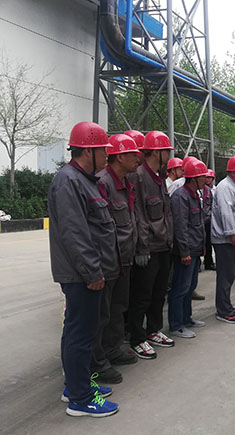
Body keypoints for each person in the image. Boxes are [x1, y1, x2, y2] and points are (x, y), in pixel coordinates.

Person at [48, 121, 119, 417]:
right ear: (88, 151)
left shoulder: (85, 179)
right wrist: (92, 273)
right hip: (81, 275)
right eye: (104, 150)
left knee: (79, 331)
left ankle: (75, 385)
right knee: (80, 334)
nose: (107, 155)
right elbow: (75, 234)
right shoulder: (69, 182)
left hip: (86, 272)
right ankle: (80, 398)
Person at [91, 134, 141, 385]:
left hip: (124, 257)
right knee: (102, 313)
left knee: (118, 307)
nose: (137, 159)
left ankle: (112, 350)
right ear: (119, 157)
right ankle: (97, 362)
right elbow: (100, 228)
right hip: (107, 260)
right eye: (133, 154)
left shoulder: (126, 182)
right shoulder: (103, 182)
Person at [129, 131, 175, 358]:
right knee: (142, 295)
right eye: (167, 151)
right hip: (149, 248)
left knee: (159, 293)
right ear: (157, 152)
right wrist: (141, 247)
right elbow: (138, 214)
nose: (169, 155)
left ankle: (153, 330)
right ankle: (137, 338)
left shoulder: (159, 177)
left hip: (163, 245)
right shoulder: (138, 177)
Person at [168, 159, 209, 338]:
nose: (205, 180)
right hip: (186, 252)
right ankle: (176, 325)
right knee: (180, 288)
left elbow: (198, 225)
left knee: (190, 286)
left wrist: (202, 247)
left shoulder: (194, 195)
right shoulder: (180, 197)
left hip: (195, 249)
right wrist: (184, 252)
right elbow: (180, 227)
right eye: (202, 177)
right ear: (194, 178)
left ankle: (186, 318)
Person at [211, 156, 235, 324]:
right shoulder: (225, 187)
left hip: (232, 239)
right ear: (234, 173)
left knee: (230, 273)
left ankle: (225, 304)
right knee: (225, 275)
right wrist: (232, 233)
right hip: (225, 240)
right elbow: (226, 212)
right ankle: (223, 310)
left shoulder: (233, 187)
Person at [203, 169, 216, 271]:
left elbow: (212, 204)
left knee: (208, 243)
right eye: (206, 177)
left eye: (209, 177)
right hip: (199, 220)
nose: (207, 179)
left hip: (208, 220)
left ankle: (209, 262)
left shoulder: (212, 190)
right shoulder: (199, 189)